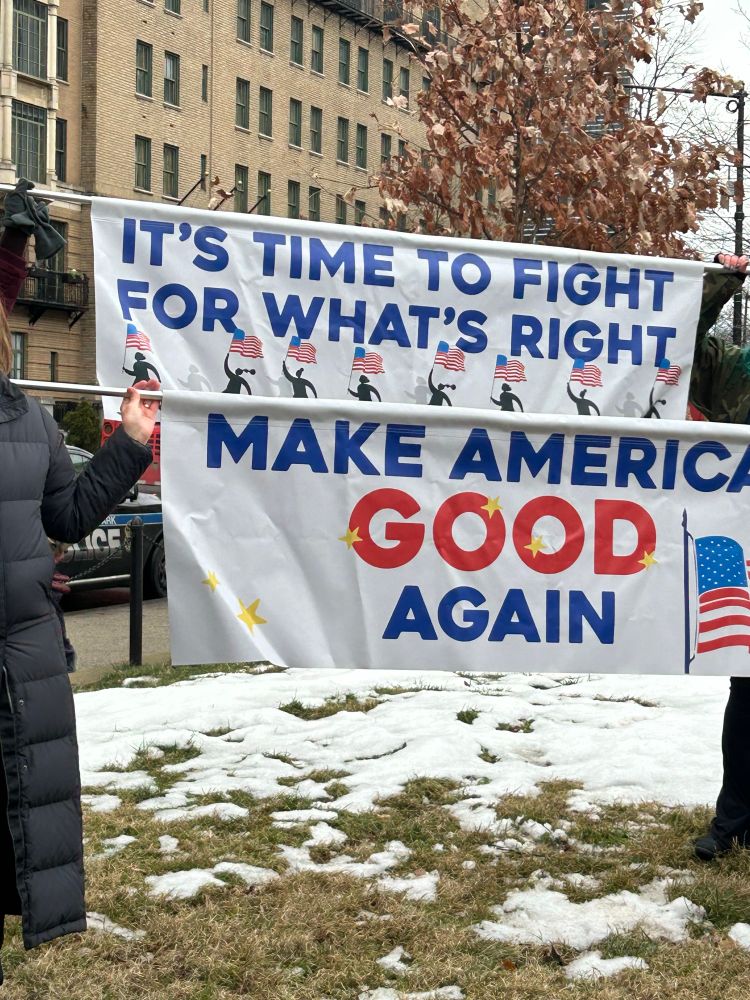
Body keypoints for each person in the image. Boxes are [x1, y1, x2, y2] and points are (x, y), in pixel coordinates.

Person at [0, 180, 159, 982]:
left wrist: (128, 444)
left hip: (20, 674)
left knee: (16, 844)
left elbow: (66, 515)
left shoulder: (29, 421)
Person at [687, 251, 750, 862]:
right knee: (749, 691)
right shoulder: (732, 368)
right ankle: (733, 822)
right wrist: (720, 283)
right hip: (742, 545)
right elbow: (670, 343)